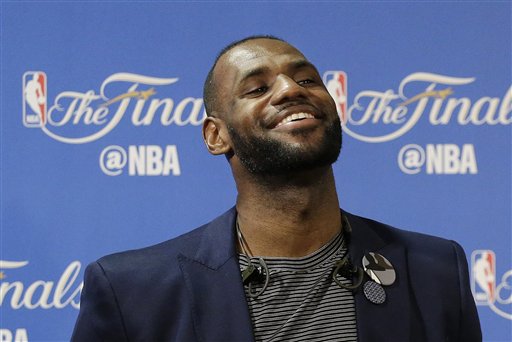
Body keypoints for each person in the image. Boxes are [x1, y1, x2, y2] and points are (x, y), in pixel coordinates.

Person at [71, 36, 481, 341]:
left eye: (307, 79)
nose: (290, 89)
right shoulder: (132, 292)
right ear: (216, 136)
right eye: (257, 89)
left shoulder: (436, 270)